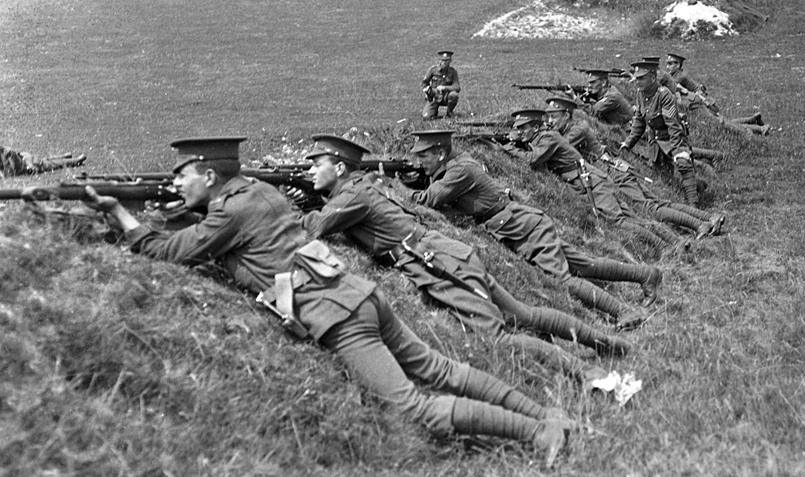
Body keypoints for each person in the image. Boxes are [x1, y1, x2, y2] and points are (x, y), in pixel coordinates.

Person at [81, 136, 570, 467]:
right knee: (441, 371)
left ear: (209, 175)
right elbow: (225, 231)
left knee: (413, 408)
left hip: (336, 317)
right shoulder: (253, 193)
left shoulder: (230, 210)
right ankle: (545, 416)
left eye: (183, 174)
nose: (176, 182)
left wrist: (123, 216)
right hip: (358, 296)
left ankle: (538, 435)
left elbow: (172, 252)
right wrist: (182, 213)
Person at [298, 134, 636, 391]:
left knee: (500, 336)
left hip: (437, 262)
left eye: (317, 165)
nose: (311, 170)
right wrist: (319, 197)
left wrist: (302, 208)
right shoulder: (362, 185)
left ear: (340, 167)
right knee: (525, 315)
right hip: (446, 252)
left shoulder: (353, 194)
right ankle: (614, 346)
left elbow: (317, 226)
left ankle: (595, 377)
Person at [405, 129, 660, 322]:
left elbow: (430, 200)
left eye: (423, 156)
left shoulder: (459, 170)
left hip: (523, 226)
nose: (419, 163)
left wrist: (400, 188)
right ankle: (645, 275)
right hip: (521, 224)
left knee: (560, 278)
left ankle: (625, 312)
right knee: (583, 264)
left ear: (440, 153)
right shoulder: (457, 163)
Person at [499, 110, 688, 255]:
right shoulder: (541, 137)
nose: (519, 132)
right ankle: (674, 242)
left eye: (523, 128)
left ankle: (669, 245)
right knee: (630, 218)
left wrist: (508, 147)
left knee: (620, 220)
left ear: (536, 126)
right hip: (590, 180)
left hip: (594, 183)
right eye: (517, 128)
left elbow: (532, 159)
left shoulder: (549, 137)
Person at [544, 96, 724, 240]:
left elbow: (559, 147)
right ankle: (707, 219)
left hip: (611, 171)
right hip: (614, 169)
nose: (550, 121)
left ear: (567, 116)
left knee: (650, 207)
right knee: (657, 203)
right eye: (548, 117)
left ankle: (701, 224)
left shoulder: (577, 130)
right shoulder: (573, 128)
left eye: (554, 116)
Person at [620, 58, 704, 208]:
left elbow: (673, 125)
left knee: (683, 164)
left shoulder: (664, 95)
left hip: (672, 136)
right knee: (662, 177)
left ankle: (694, 204)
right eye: (636, 78)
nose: (637, 82)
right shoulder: (641, 93)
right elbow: (639, 121)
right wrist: (628, 143)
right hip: (656, 141)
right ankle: (697, 186)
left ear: (653, 78)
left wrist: (678, 151)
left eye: (641, 78)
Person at [663, 53, 770, 136]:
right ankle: (753, 121)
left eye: (670, 64)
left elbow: (675, 87)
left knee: (720, 123)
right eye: (667, 64)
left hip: (702, 101)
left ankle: (757, 129)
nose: (667, 67)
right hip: (700, 101)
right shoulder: (676, 74)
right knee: (722, 121)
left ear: (678, 65)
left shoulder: (679, 76)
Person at [421, 51, 461, 120]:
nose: (445, 62)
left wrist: (445, 87)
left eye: (447, 60)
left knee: (454, 95)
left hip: (446, 97)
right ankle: (434, 111)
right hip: (434, 97)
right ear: (439, 61)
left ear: (450, 61)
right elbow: (424, 83)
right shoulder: (433, 70)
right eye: (443, 60)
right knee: (426, 117)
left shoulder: (453, 72)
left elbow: (457, 87)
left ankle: (449, 112)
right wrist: (427, 91)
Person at [1, 146, 85, 178]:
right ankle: (71, 159)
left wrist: (28, 163)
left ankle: (72, 159)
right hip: (29, 163)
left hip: (28, 161)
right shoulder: (7, 164)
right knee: (47, 162)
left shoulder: (8, 155)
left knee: (46, 162)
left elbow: (16, 154)